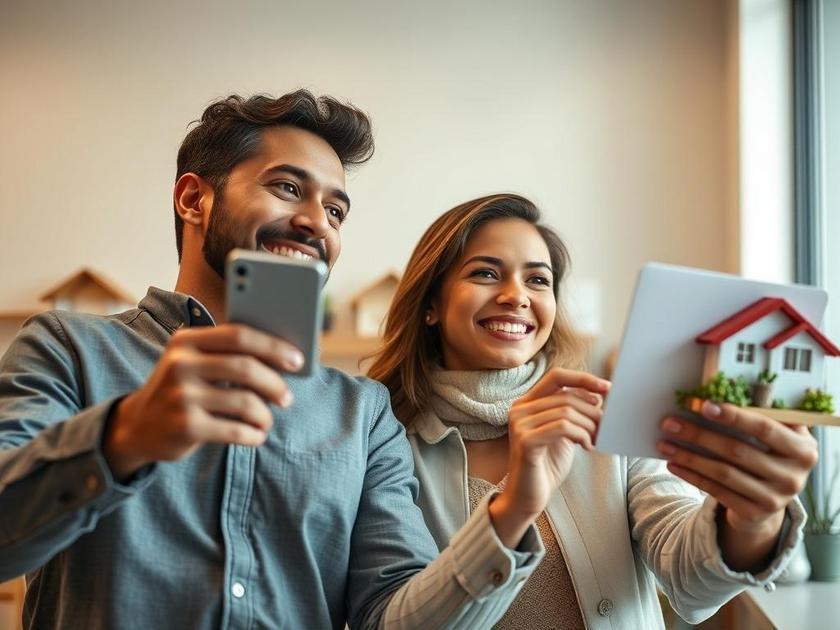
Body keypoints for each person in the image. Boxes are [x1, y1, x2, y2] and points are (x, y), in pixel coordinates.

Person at [0, 93, 558, 629]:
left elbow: (392, 618)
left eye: (335, 211)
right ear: (193, 199)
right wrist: (125, 436)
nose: (317, 222)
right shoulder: (68, 347)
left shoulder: (363, 414)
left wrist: (513, 511)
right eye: (288, 188)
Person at [368, 193, 818, 629]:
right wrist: (515, 506)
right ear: (431, 305)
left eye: (538, 280)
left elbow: (692, 581)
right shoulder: (385, 445)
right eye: (485, 273)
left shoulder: (610, 421)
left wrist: (753, 518)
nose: (516, 296)